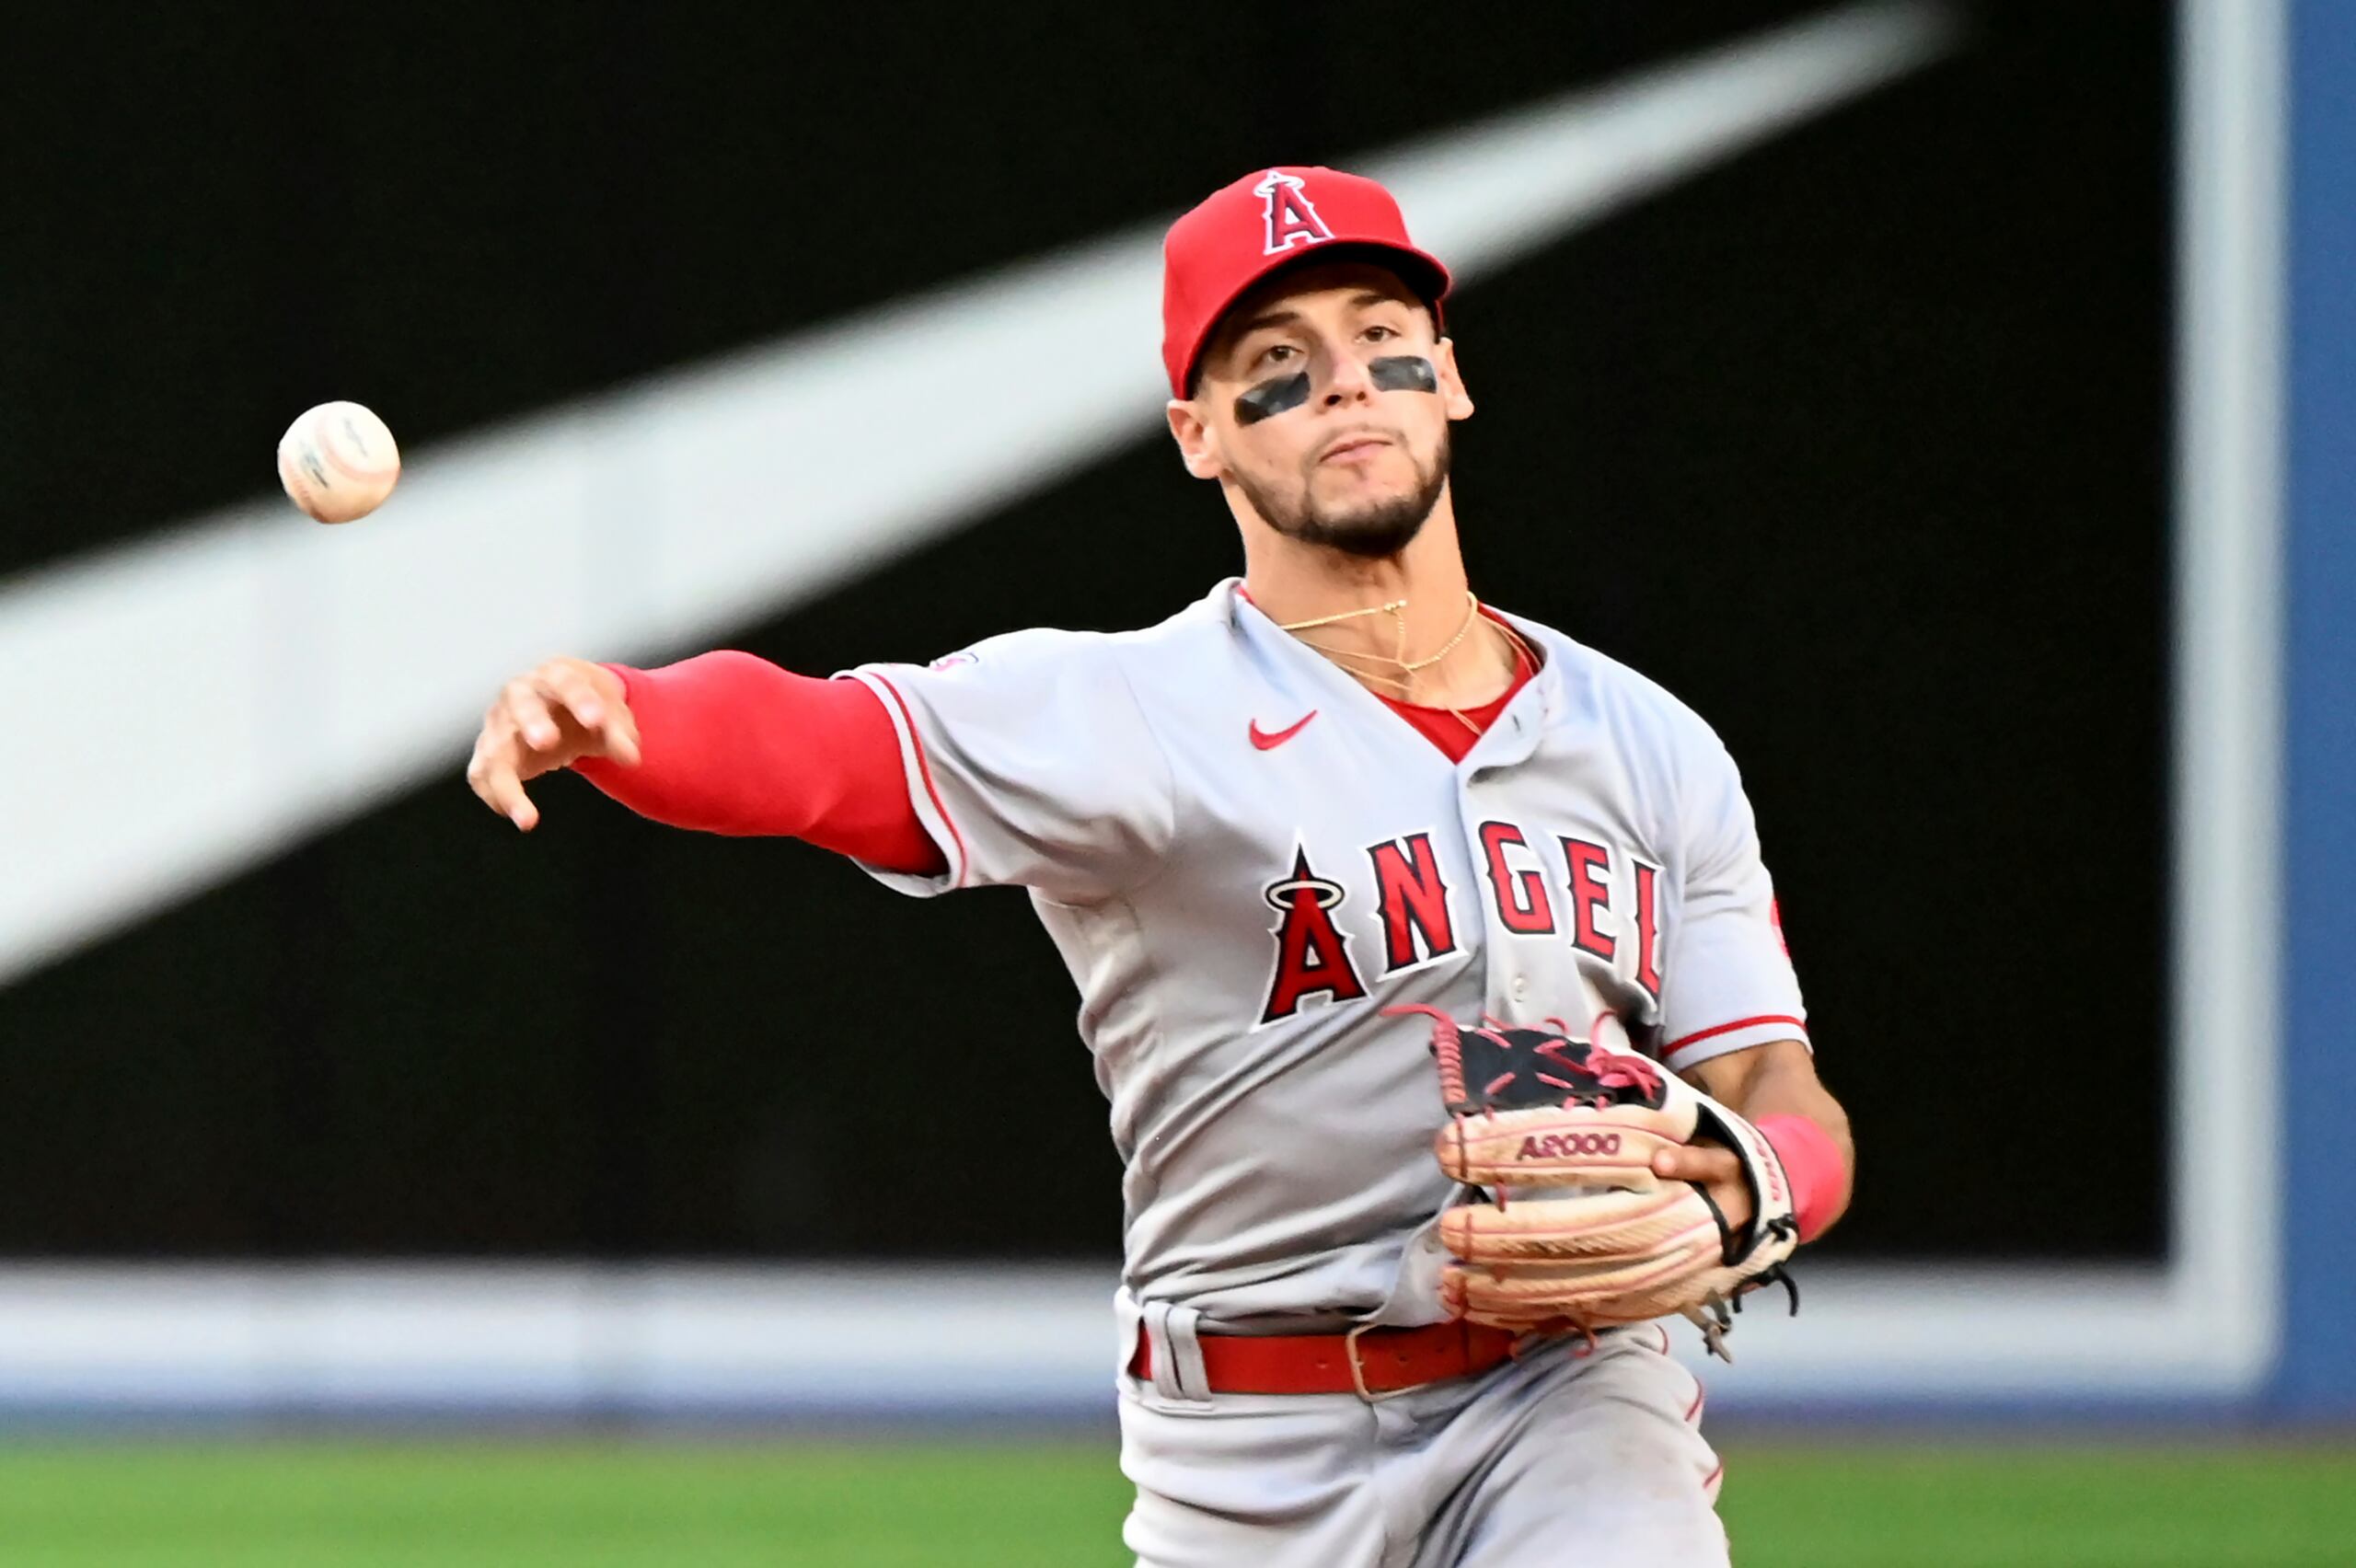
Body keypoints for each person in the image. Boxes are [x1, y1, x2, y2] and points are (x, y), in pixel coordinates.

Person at [466, 165, 1854, 1568]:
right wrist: (628, 717)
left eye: (1383, 338)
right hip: (1249, 1445)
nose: (1348, 383)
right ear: (1199, 435)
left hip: (1570, 1395)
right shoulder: (1134, 712)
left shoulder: (1654, 745)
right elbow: (834, 746)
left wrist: (1751, 1186)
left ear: (1450, 377)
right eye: (1277, 363)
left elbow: (1768, 1085)